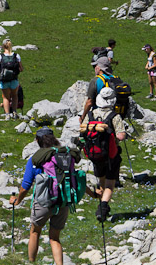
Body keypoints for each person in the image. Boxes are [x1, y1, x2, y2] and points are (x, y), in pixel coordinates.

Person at [10, 127, 96, 265]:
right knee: (55, 238)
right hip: (63, 201)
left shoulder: (37, 159)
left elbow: (26, 185)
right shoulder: (65, 156)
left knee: (35, 231)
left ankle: (32, 262)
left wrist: (17, 200)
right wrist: (93, 194)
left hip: (44, 202)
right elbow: (75, 179)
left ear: (38, 141)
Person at [80, 87, 127, 222]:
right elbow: (121, 136)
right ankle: (103, 208)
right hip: (111, 155)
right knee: (110, 184)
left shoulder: (90, 114)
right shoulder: (114, 116)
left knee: (101, 181)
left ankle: (102, 207)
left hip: (95, 154)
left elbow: (82, 132)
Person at [0, 39, 23, 116]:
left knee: (6, 97)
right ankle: (15, 112)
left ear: (3, 46)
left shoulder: (0, 56)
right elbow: (21, 69)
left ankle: (7, 115)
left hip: (4, 80)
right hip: (14, 79)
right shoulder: (16, 56)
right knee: (14, 96)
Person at [79, 56, 114, 123]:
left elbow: (89, 102)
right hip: (113, 113)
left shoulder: (96, 80)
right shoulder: (114, 78)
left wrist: (83, 117)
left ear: (99, 68)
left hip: (99, 115)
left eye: (95, 66)